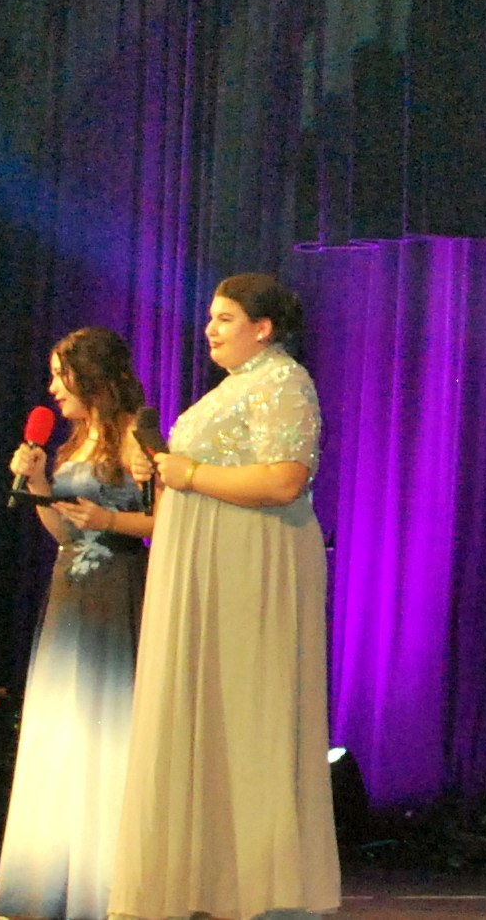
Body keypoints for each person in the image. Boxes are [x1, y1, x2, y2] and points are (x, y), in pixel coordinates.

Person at [110, 274, 335, 920]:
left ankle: (264, 887)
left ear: (263, 328)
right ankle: (209, 881)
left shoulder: (283, 380)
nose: (210, 328)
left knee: (248, 711)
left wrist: (191, 472)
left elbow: (285, 479)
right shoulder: (234, 386)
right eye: (211, 316)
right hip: (209, 566)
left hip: (251, 565)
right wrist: (160, 468)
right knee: (209, 712)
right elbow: (201, 472)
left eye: (226, 317)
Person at [0, 327, 157, 920]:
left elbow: (170, 522)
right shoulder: (71, 442)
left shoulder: (138, 433)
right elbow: (65, 533)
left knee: (107, 726)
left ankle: (109, 887)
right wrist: (39, 483)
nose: (52, 389)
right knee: (64, 729)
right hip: (69, 590)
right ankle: (50, 886)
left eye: (60, 376)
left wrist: (109, 522)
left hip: (118, 588)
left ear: (91, 377)